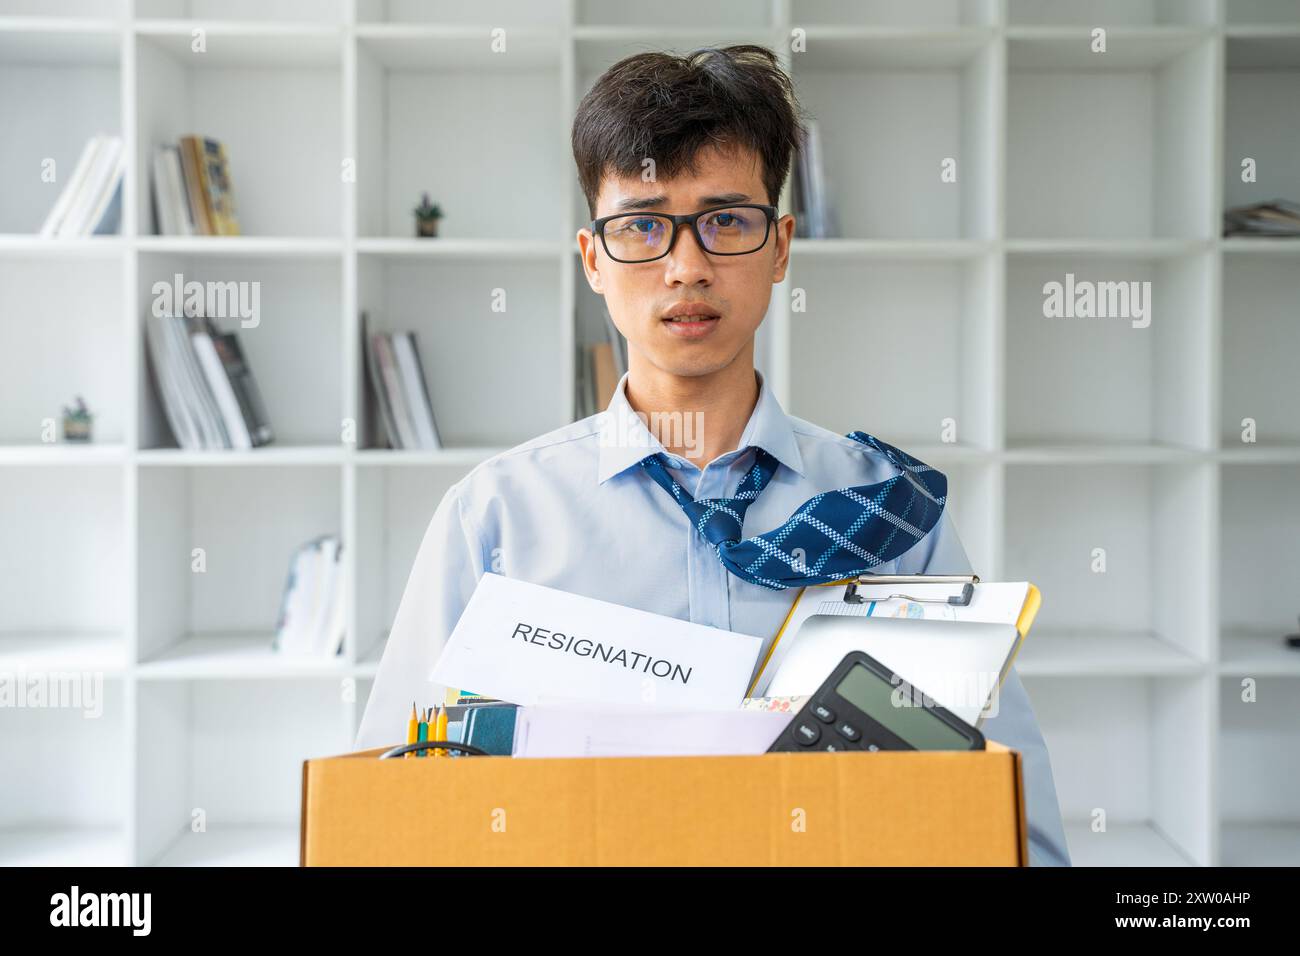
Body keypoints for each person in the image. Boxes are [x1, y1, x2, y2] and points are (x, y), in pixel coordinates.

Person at [357, 45, 1070, 866]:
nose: (687, 266)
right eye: (643, 226)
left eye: (727, 220)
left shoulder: (890, 513)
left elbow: (1017, 835)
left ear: (780, 247)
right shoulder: (496, 518)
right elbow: (389, 816)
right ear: (594, 259)